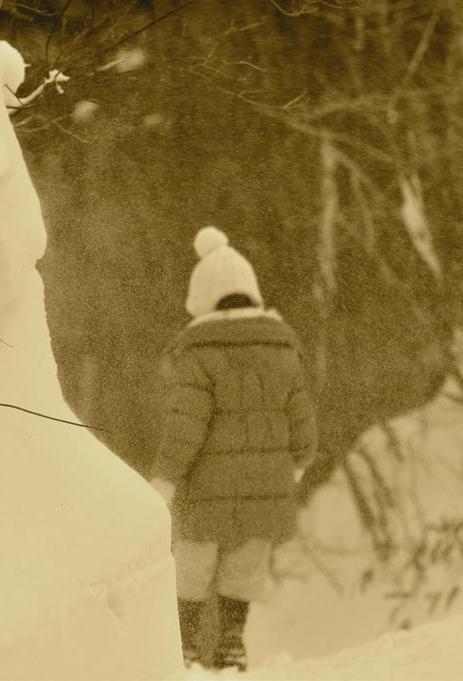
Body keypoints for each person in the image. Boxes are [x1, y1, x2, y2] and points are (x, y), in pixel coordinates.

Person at [149, 226, 316, 671]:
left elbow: (185, 427)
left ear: (202, 297)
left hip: (205, 495)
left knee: (191, 574)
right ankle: (231, 645)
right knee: (242, 573)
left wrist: (164, 479)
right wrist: (296, 463)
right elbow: (303, 428)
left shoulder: (198, 355)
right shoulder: (284, 350)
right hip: (265, 492)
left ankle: (183, 651)